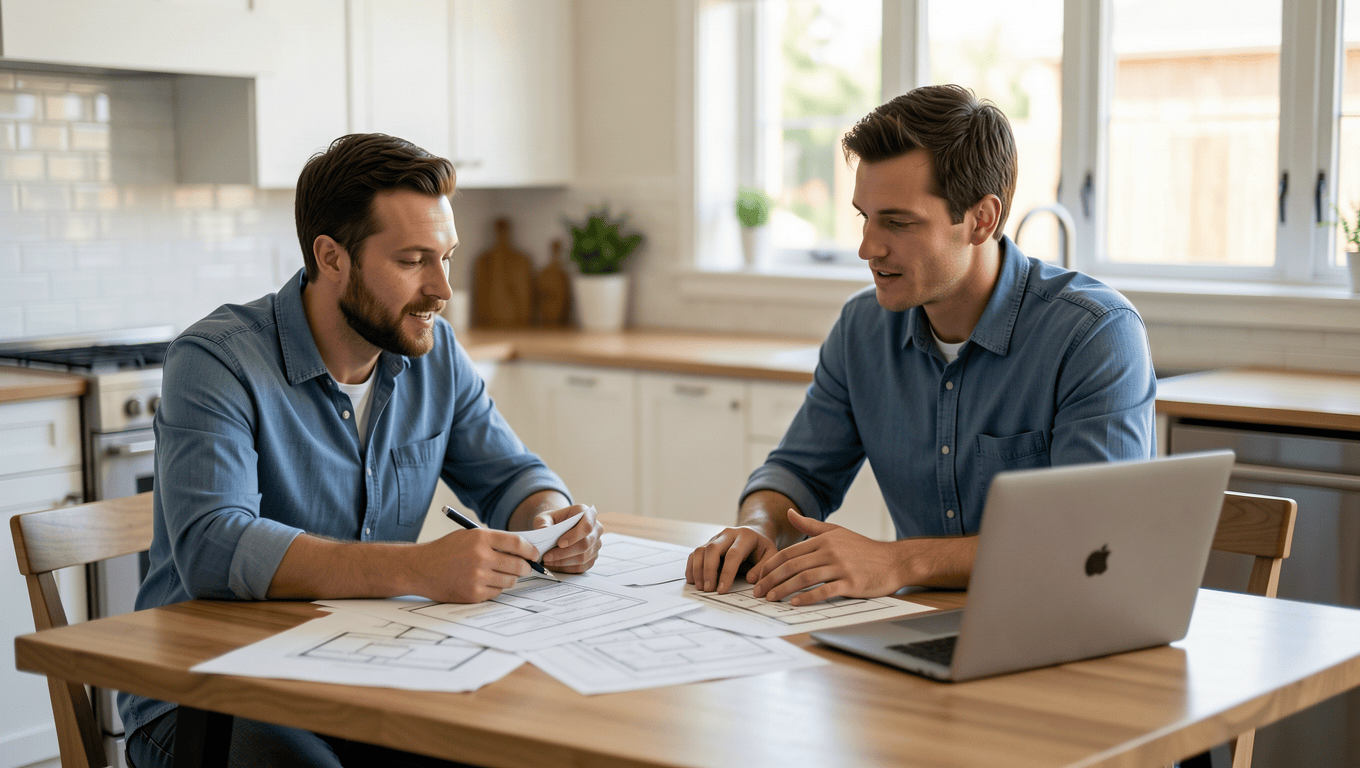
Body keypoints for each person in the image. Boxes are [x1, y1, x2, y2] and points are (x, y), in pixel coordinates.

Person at [121, 133, 603, 768]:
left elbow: (511, 474)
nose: (442, 289)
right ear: (331, 257)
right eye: (412, 261)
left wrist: (549, 518)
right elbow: (213, 545)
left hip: (369, 672)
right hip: (207, 694)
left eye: (447, 258)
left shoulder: (437, 356)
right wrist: (416, 570)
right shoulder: (217, 360)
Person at [687, 84, 1155, 607]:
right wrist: (759, 526)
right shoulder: (862, 328)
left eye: (898, 222)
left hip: (1061, 624)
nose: (868, 247)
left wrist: (898, 561)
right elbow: (797, 473)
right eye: (865, 216)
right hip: (921, 626)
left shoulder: (1094, 335)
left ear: (982, 220)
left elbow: (1088, 539)